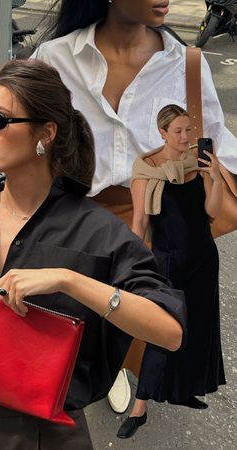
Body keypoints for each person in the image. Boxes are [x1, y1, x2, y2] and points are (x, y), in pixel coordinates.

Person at [0, 59, 185, 450]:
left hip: (47, 438)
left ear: (45, 133)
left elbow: (169, 332)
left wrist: (70, 280)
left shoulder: (95, 232)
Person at [32, 0, 237, 413]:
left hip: (159, 223)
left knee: (139, 327)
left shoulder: (186, 65)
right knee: (61, 343)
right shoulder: (55, 59)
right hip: (75, 222)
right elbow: (27, 142)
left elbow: (220, 146)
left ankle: (120, 367)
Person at [116, 104, 225, 438]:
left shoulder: (198, 165)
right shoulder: (146, 171)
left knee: (200, 330)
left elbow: (212, 210)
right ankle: (140, 408)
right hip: (167, 265)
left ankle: (184, 391)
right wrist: (131, 266)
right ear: (162, 133)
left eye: (188, 130)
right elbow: (139, 224)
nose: (185, 137)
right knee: (162, 335)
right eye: (177, 131)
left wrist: (215, 176)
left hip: (203, 260)